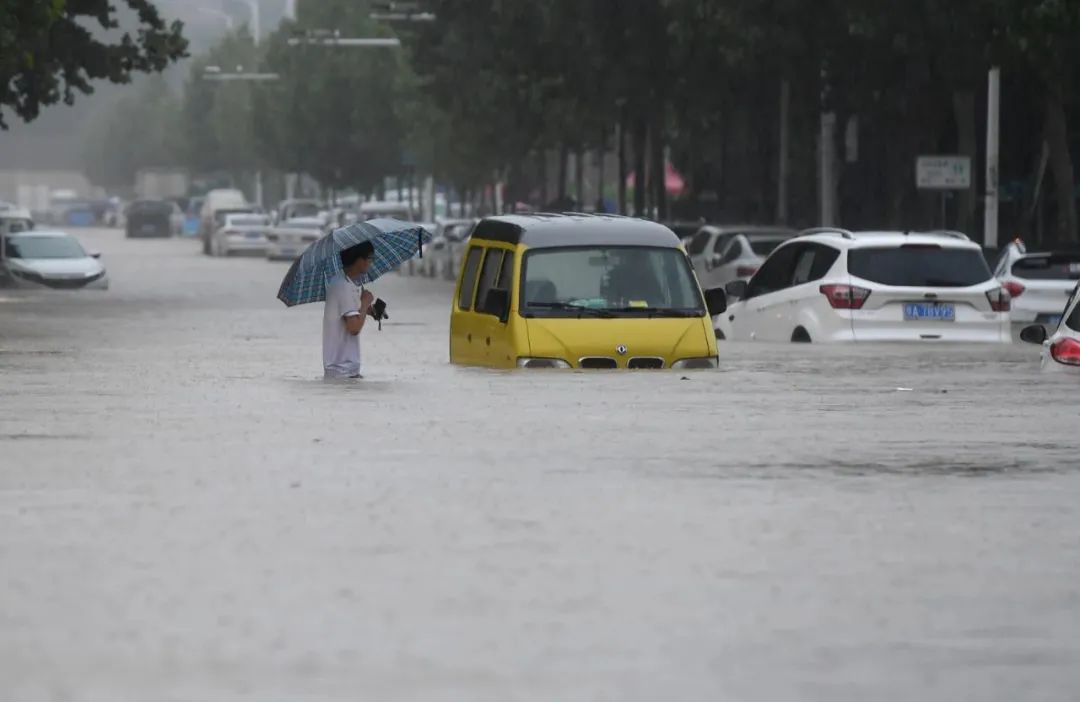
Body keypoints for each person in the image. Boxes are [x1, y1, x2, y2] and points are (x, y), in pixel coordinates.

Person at [323, 241, 375, 379]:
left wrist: (366, 309)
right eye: (369, 258)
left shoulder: (342, 282)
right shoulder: (343, 287)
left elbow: (349, 315)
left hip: (342, 370)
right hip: (343, 371)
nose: (371, 263)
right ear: (359, 260)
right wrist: (364, 304)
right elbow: (354, 328)